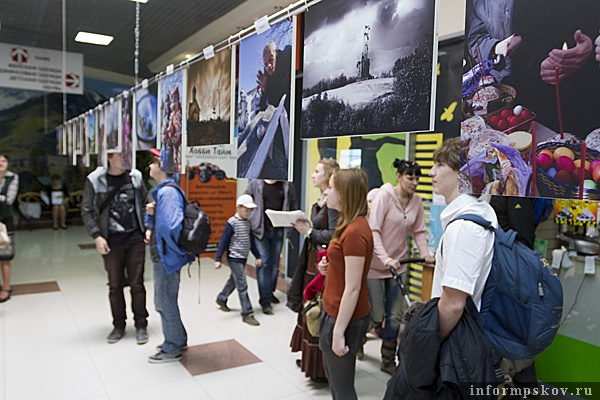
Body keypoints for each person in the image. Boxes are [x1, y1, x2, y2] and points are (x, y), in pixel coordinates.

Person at [367, 159, 434, 375]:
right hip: (376, 267)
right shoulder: (384, 197)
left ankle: (388, 360)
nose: (414, 182)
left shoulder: (416, 201)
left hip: (400, 265)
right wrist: (385, 258)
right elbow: (373, 230)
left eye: (417, 178)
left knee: (395, 316)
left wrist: (425, 254)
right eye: (409, 177)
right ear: (399, 176)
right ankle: (357, 340)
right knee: (377, 315)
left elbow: (419, 232)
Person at [428, 137, 497, 339]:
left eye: (440, 165)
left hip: (458, 339)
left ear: (462, 173)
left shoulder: (464, 228)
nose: (432, 172)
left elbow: (453, 304)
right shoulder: (479, 214)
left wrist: (429, 344)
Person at [81, 152, 149, 344]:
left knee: (137, 283)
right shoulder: (95, 179)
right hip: (111, 240)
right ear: (109, 157)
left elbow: (143, 202)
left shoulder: (135, 176)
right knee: (115, 284)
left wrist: (147, 227)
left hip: (135, 238)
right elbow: (87, 209)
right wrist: (96, 235)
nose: (125, 158)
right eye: (121, 154)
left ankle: (141, 324)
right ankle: (119, 324)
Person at [317, 168, 373, 400]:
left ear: (345, 193)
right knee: (335, 383)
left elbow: (353, 288)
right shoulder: (347, 223)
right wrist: (329, 268)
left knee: (343, 389)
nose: (327, 192)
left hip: (344, 317)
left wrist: (339, 331)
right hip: (334, 309)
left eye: (331, 187)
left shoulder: (355, 231)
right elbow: (348, 272)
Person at [288, 158, 339, 382]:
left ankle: (320, 367)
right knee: (310, 307)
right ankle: (311, 360)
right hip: (312, 260)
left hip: (323, 263)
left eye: (317, 171)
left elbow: (333, 234)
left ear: (328, 176)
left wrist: (308, 231)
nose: (312, 175)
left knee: (317, 309)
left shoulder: (335, 202)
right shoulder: (321, 200)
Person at [144, 149, 195, 362]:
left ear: (161, 166)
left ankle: (172, 346)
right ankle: (178, 338)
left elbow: (172, 227)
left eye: (153, 163)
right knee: (166, 299)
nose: (149, 167)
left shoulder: (167, 193)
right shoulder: (165, 190)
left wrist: (167, 249)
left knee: (164, 302)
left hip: (166, 257)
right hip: (166, 255)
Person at [245, 179, 297, 314]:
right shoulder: (256, 183)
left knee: (274, 264)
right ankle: (265, 301)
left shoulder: (286, 184)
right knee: (264, 263)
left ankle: (269, 291)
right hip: (260, 230)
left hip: (278, 230)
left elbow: (292, 203)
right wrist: (252, 219)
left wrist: (292, 220)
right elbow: (245, 201)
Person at [214, 194, 261, 327]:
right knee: (242, 283)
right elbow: (223, 241)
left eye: (250, 210)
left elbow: (251, 241)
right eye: (246, 210)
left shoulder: (247, 223)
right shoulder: (232, 222)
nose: (249, 213)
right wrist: (218, 258)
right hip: (234, 258)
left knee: (234, 281)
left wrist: (257, 256)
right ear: (238, 208)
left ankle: (221, 298)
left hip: (243, 257)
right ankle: (247, 313)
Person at [0, 154, 19, 303]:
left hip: (5, 221)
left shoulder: (12, 178)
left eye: (4, 161)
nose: (1, 163)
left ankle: (6, 288)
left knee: (5, 256)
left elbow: (9, 199)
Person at [257, 41, 292, 115]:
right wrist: (265, 89)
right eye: (266, 64)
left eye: (271, 59)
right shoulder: (266, 78)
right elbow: (274, 105)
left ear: (276, 52)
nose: (269, 66)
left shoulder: (288, 57)